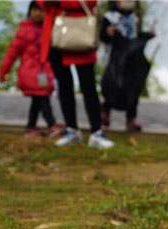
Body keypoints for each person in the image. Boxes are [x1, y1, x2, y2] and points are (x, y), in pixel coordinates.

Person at [39, 0, 114, 149]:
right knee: (64, 86)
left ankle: (96, 132)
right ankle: (71, 131)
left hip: (81, 35)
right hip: (56, 35)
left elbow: (90, 2)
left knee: (88, 87)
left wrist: (60, 2)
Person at [0, 1, 64, 138]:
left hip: (43, 72)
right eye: (34, 10)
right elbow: (12, 52)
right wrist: (4, 70)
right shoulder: (25, 30)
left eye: (41, 11)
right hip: (30, 72)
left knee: (37, 100)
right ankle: (52, 124)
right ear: (30, 12)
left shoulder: (48, 29)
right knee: (42, 98)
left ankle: (31, 127)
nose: (37, 14)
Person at [99, 0, 155, 132]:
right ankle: (105, 111)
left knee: (133, 89)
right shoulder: (110, 18)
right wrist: (108, 33)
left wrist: (148, 35)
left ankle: (131, 119)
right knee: (113, 85)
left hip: (132, 62)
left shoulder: (134, 19)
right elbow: (102, 37)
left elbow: (136, 38)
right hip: (115, 60)